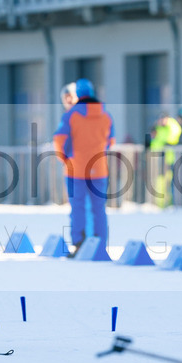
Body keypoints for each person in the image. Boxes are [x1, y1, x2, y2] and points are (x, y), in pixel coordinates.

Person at [53, 78, 114, 252]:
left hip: (76, 169)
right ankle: (100, 244)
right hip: (100, 169)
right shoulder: (106, 114)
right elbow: (111, 140)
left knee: (77, 207)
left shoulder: (71, 114)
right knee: (99, 208)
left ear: (77, 93)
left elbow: (59, 139)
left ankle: (79, 244)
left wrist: (64, 158)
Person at [149, 112, 182, 207]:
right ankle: (161, 202)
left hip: (170, 158)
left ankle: (171, 202)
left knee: (170, 180)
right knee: (160, 180)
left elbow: (171, 140)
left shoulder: (172, 126)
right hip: (160, 157)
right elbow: (155, 141)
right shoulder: (158, 128)